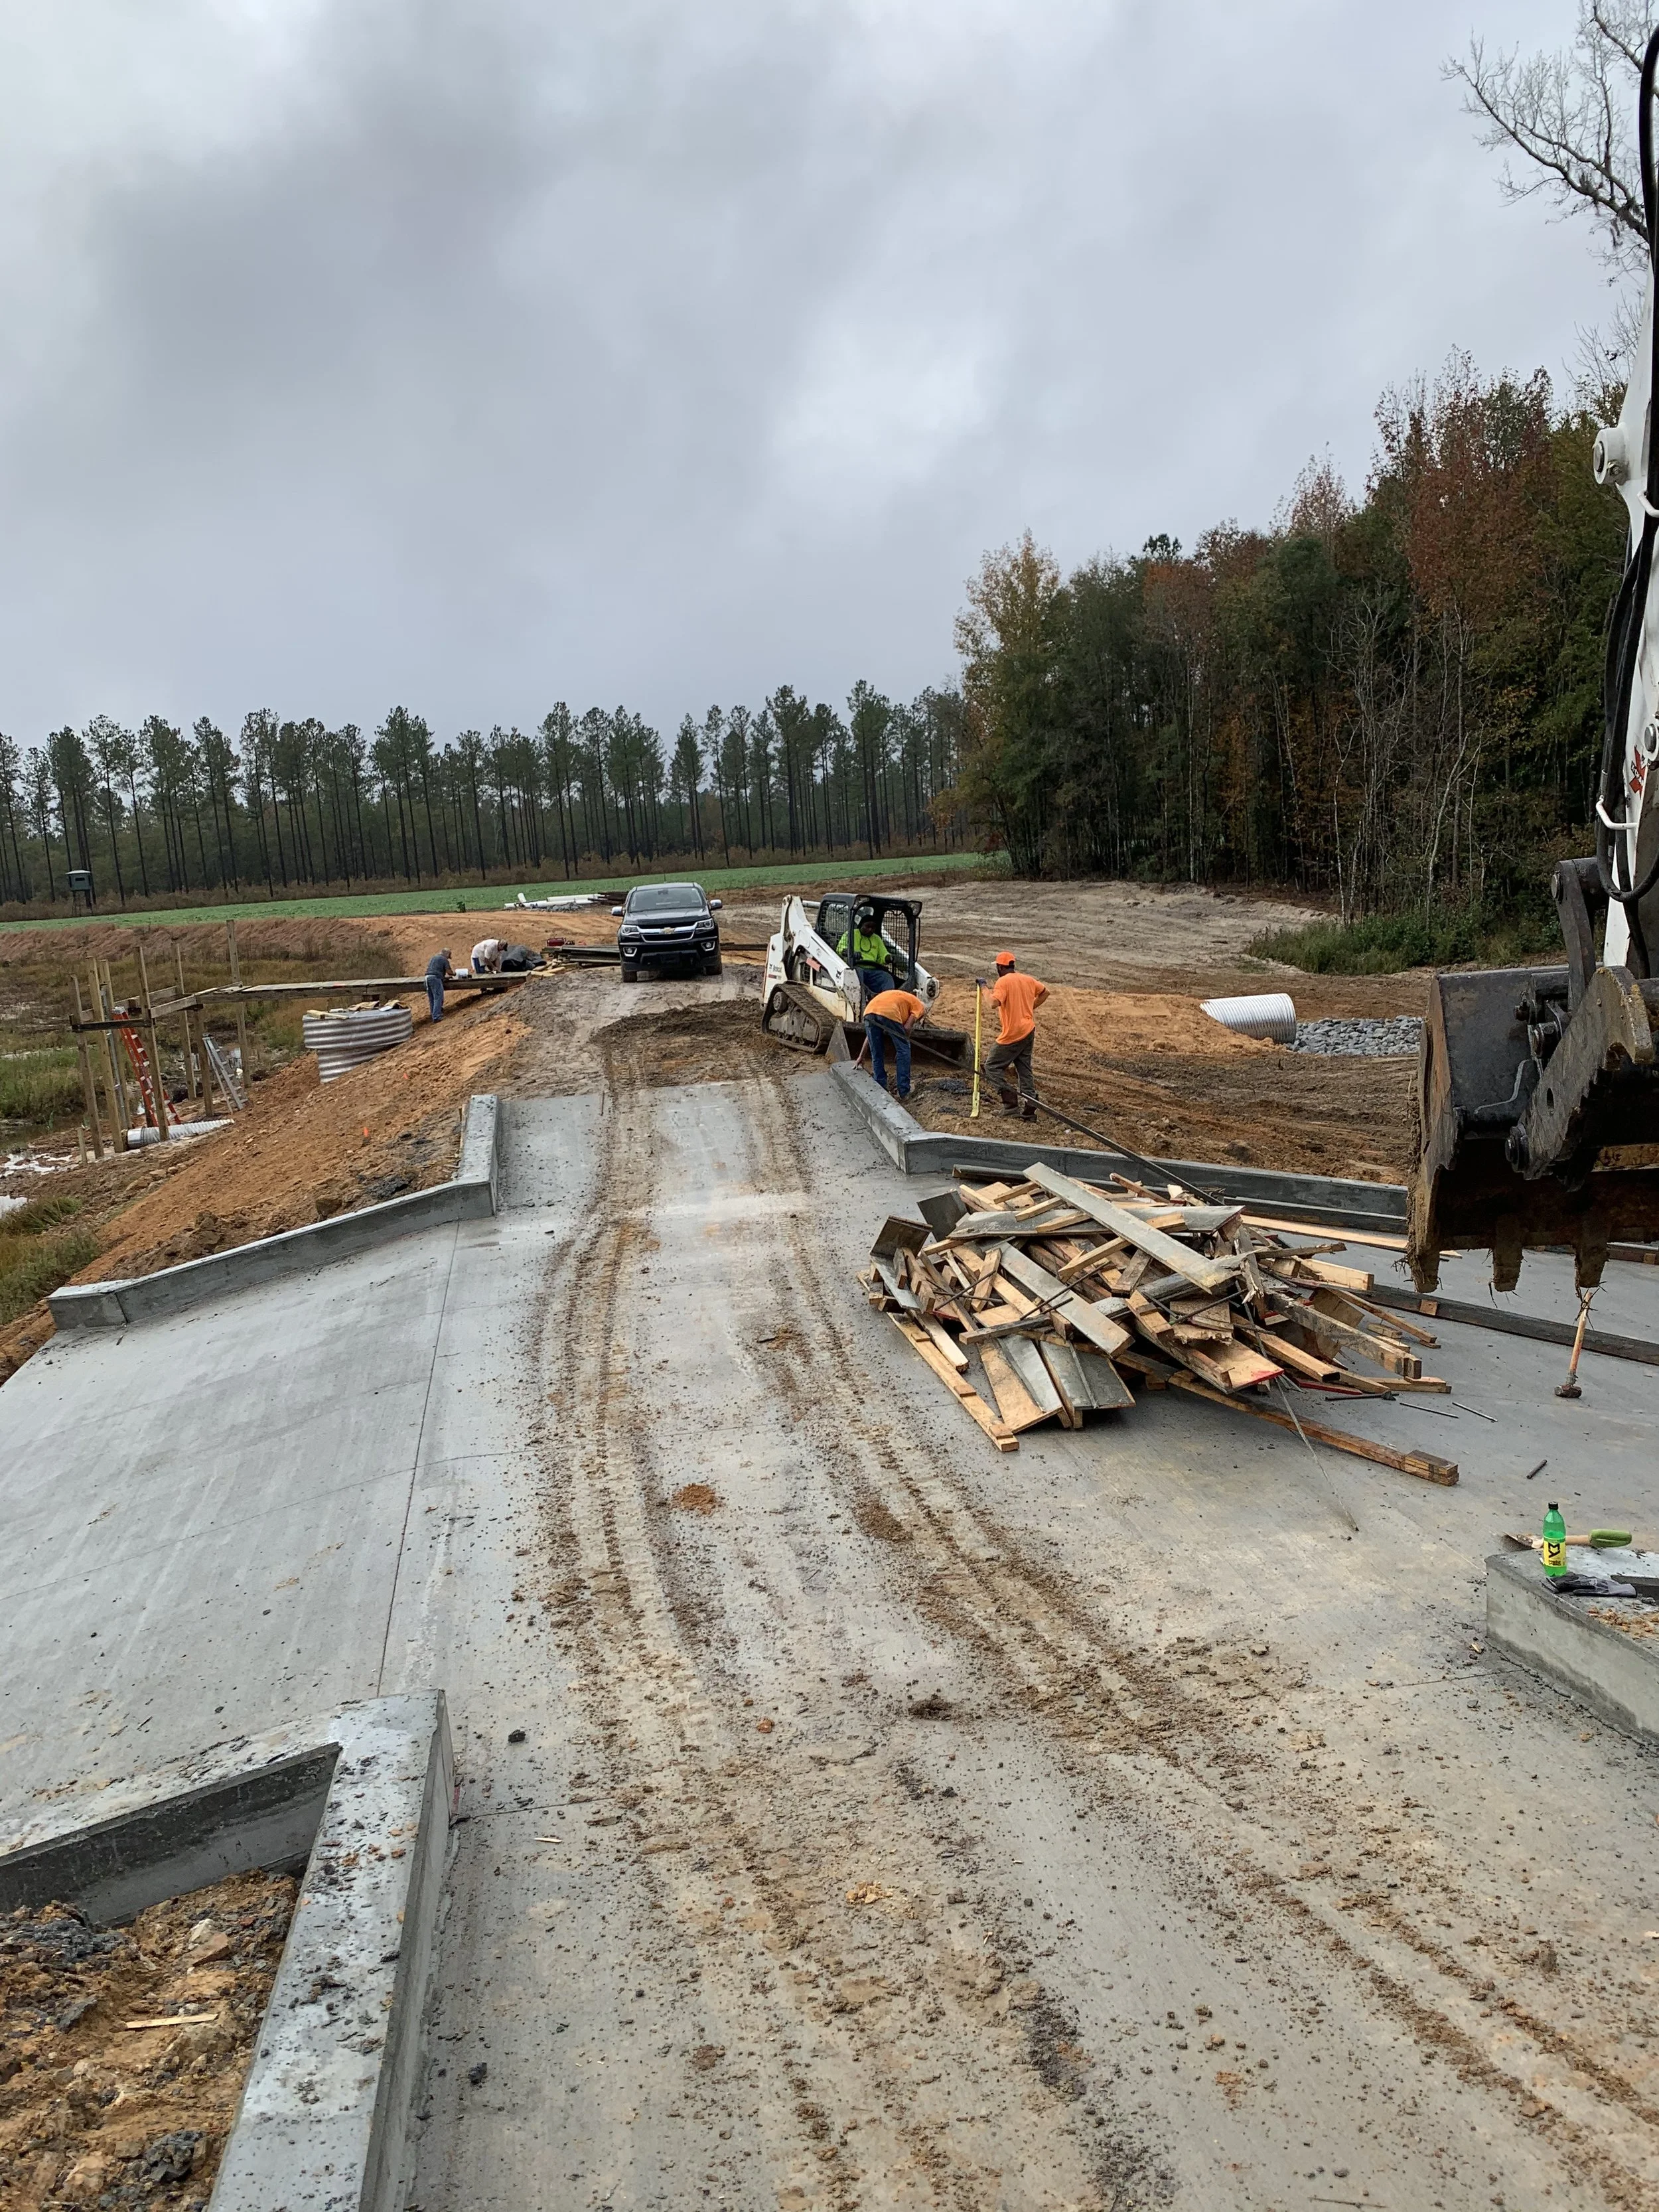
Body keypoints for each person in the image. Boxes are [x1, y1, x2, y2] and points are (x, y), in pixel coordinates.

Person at [981, 950, 1048, 1118]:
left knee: (991, 1066)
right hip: (1028, 1029)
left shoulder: (1003, 982)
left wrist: (983, 987)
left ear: (1000, 967)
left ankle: (1010, 1106)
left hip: (1013, 1034)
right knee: (1023, 1068)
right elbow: (1045, 992)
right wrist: (1028, 1008)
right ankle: (1030, 1103)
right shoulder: (1027, 980)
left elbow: (993, 1003)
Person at [861, 983, 926, 1102]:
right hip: (889, 1011)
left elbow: (869, 1037)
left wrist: (861, 1056)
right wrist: (901, 1047)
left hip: (869, 1011)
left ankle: (880, 1086)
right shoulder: (920, 1007)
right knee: (905, 1050)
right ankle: (904, 1091)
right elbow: (907, 1027)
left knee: (876, 1052)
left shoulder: (901, 998)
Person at [836, 903, 894, 1006]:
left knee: (886, 977)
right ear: (862, 925)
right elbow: (840, 948)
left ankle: (887, 1002)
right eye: (868, 926)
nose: (870, 930)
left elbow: (883, 955)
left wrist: (889, 958)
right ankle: (861, 1000)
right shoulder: (851, 934)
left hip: (873, 970)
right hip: (856, 967)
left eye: (873, 927)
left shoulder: (877, 939)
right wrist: (851, 953)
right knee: (858, 975)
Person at [425, 948, 455, 1024]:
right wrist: (455, 974)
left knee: (432, 999)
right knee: (438, 998)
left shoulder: (434, 958)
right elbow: (449, 972)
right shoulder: (444, 959)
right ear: (447, 954)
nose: (449, 958)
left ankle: (434, 1014)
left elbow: (435, 970)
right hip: (435, 979)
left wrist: (443, 977)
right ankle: (437, 1017)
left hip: (427, 978)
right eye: (449, 956)